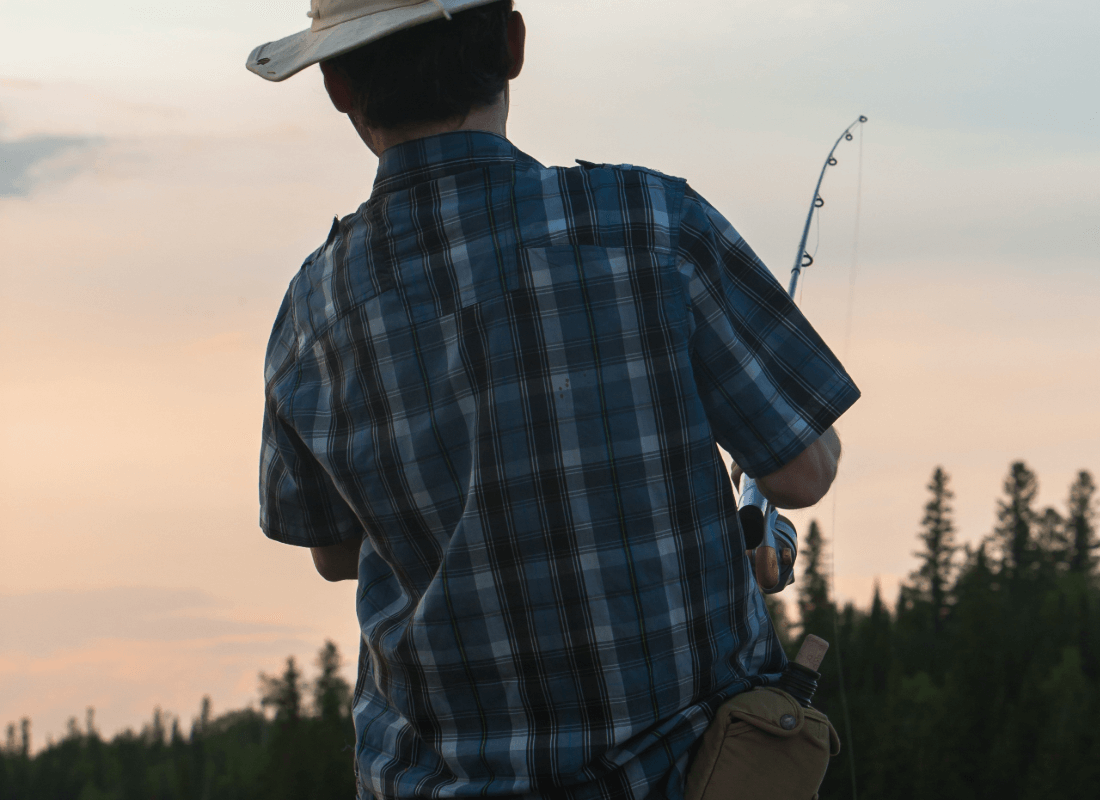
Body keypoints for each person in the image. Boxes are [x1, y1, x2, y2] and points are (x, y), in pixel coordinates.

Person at [247, 2, 859, 798]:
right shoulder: (651, 223)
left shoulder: (311, 312)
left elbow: (333, 554)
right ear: (512, 43)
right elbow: (802, 475)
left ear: (335, 84)